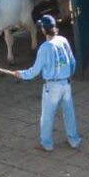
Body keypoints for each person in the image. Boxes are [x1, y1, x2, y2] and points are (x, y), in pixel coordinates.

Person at [17, 14, 81, 152]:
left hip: (52, 87)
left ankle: (47, 143)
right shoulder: (63, 40)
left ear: (43, 30)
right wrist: (68, 74)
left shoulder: (44, 48)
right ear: (54, 27)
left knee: (47, 116)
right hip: (66, 84)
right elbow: (72, 62)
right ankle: (74, 140)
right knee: (69, 113)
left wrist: (21, 74)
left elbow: (35, 71)